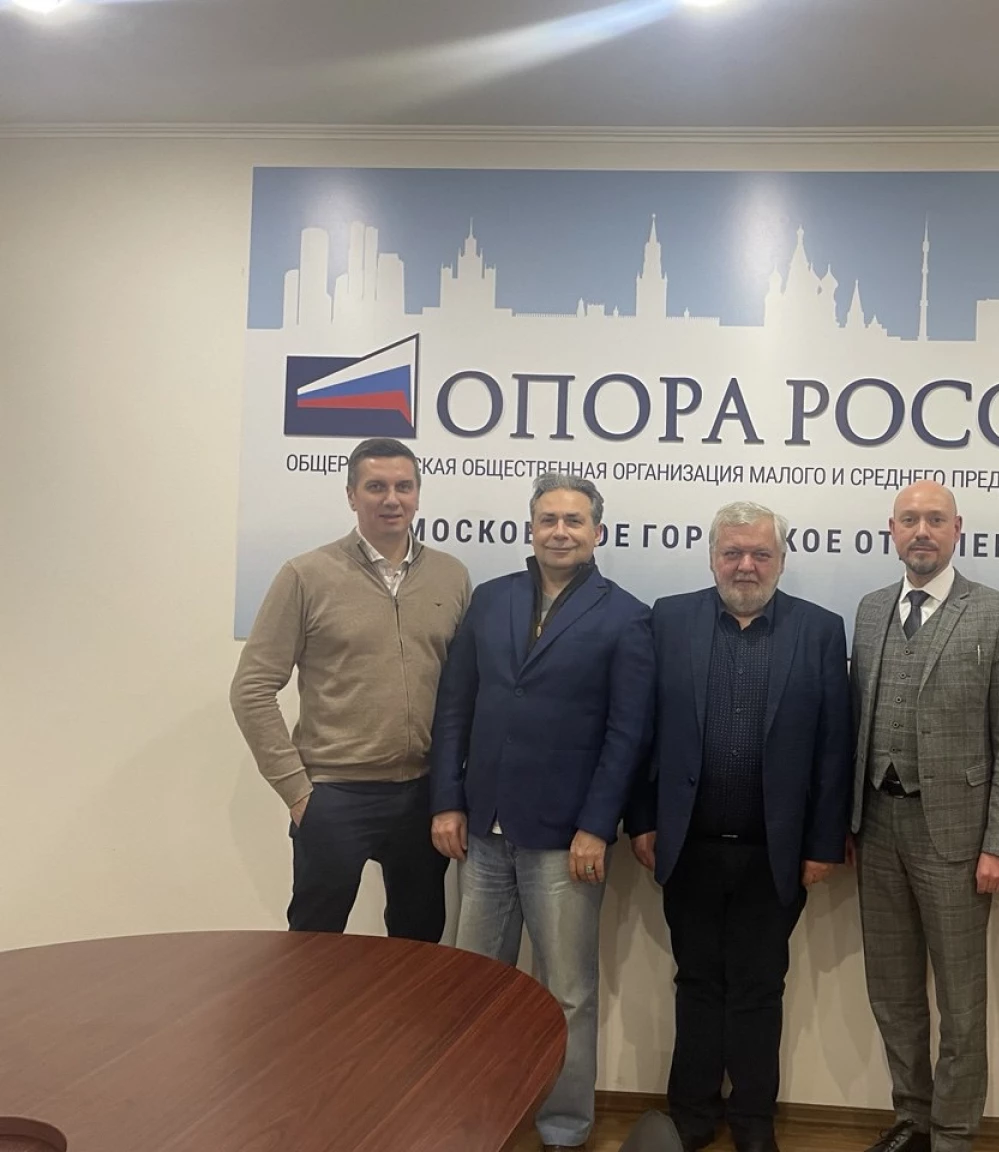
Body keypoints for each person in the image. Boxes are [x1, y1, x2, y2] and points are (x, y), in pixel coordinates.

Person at [428, 472, 654, 1152]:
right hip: (482, 831)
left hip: (565, 838)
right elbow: (455, 707)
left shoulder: (626, 616)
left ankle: (563, 1127)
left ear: (597, 533)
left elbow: (626, 735)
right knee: (473, 984)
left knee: (567, 993)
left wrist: (596, 826)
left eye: (574, 520)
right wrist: (448, 800)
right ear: (530, 528)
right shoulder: (490, 599)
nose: (560, 531)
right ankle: (475, 1118)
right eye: (548, 519)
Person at [628, 501, 853, 1152]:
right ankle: (692, 1116)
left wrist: (822, 843)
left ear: (781, 560)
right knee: (696, 982)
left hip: (774, 851)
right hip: (686, 846)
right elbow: (643, 731)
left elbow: (834, 748)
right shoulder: (669, 619)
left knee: (758, 989)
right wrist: (642, 821)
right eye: (733, 553)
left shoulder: (819, 630)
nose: (746, 565)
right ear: (712, 558)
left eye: (760, 553)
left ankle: (754, 1122)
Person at [849, 480, 999, 1152]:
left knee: (960, 998)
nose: (921, 531)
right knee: (891, 988)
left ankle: (954, 1132)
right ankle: (912, 1116)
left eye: (934, 519)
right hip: (877, 826)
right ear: (891, 530)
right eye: (909, 520)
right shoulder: (871, 610)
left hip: (956, 835)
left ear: (958, 528)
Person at [230, 436, 471, 940]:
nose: (391, 499)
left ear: (418, 494)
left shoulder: (451, 577)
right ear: (351, 495)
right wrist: (297, 791)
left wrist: (454, 786)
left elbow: (465, 689)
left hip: (422, 793)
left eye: (403, 487)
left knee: (419, 945)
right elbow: (252, 687)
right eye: (376, 487)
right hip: (334, 793)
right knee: (314, 950)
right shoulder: (306, 575)